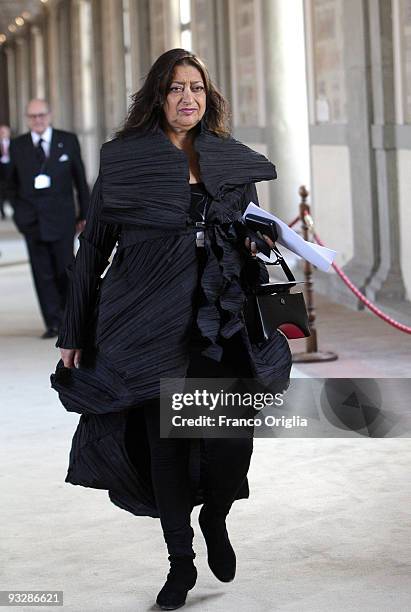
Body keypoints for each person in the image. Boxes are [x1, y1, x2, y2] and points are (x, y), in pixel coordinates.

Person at [51, 49, 292, 610]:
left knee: (232, 439)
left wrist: (263, 242)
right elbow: (93, 252)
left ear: (209, 98)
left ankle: (216, 516)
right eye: (177, 88)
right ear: (157, 96)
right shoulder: (125, 162)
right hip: (146, 319)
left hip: (220, 316)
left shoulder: (228, 161)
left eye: (198, 89)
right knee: (166, 446)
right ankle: (179, 561)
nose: (189, 98)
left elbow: (249, 230)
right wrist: (74, 331)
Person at [7, 99, 90, 338]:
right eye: (32, 116)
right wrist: (20, 217)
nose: (38, 120)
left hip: (63, 220)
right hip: (32, 222)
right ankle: (53, 322)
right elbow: (10, 185)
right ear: (27, 119)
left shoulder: (68, 140)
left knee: (66, 270)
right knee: (42, 273)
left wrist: (84, 213)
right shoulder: (18, 146)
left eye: (41, 115)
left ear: (50, 115)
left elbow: (80, 180)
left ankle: (71, 320)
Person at [0, 124, 11, 220]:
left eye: (4, 131)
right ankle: (2, 211)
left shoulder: (15, 144)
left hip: (11, 171)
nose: (2, 133)